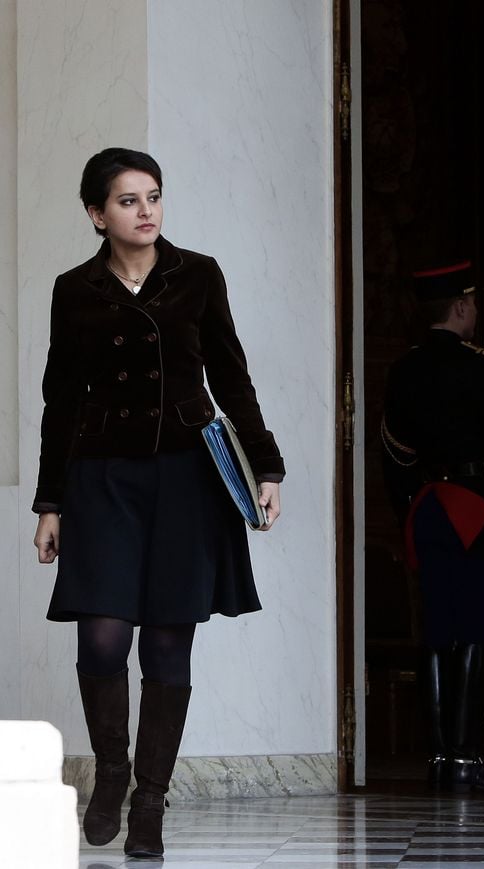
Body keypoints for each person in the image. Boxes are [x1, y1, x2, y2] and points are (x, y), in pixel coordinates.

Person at [32, 148, 285, 858]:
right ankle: (111, 769)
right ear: (95, 214)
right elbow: (61, 402)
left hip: (187, 479)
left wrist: (266, 467)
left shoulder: (197, 275)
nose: (146, 211)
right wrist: (50, 502)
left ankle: (150, 797)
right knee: (104, 634)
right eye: (127, 200)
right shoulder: (74, 289)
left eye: (154, 196)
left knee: (170, 640)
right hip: (104, 477)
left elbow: (233, 379)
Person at [381, 260, 484, 793]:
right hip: (474, 510)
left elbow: (393, 452)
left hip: (429, 509)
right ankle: (466, 759)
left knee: (437, 633)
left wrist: (410, 512)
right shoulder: (478, 367)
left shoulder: (404, 369)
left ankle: (441, 760)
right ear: (462, 307)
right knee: (472, 633)